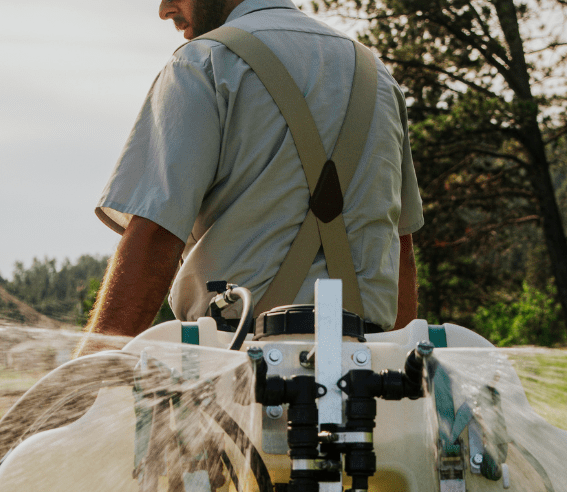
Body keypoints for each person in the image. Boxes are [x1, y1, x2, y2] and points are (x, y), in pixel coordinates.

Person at [80, 0, 422, 347]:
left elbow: (154, 237)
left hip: (235, 372)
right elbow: (399, 250)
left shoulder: (202, 62)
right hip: (365, 373)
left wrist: (83, 384)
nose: (165, 9)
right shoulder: (376, 75)